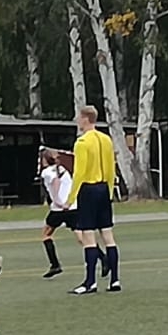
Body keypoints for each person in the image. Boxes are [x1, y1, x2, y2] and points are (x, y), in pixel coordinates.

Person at [65, 105, 122, 294]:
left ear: (85, 119)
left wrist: (70, 198)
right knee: (108, 236)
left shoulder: (82, 142)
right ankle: (115, 280)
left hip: (88, 190)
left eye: (79, 117)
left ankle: (90, 282)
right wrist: (110, 191)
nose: (77, 121)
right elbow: (111, 168)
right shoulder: (106, 140)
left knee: (88, 237)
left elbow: (79, 173)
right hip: (103, 188)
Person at [38, 148, 80, 279]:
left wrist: (56, 200)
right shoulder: (62, 168)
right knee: (82, 237)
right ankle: (103, 258)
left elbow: (55, 181)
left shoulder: (47, 172)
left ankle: (55, 264)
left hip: (59, 209)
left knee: (46, 234)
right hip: (72, 207)